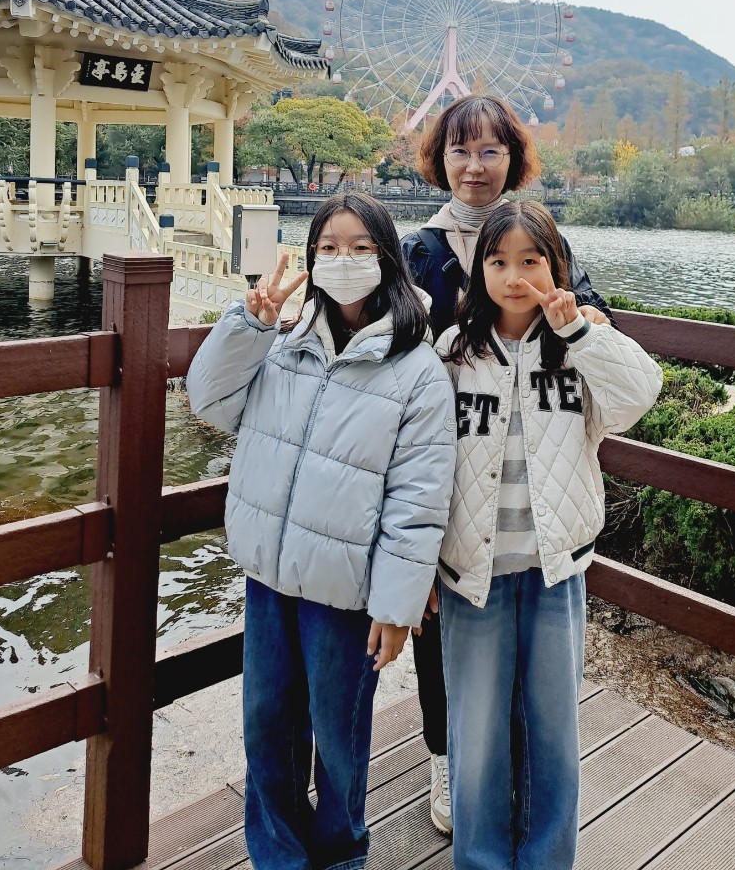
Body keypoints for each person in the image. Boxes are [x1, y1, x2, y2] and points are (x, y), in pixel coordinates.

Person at [186, 193, 457, 870]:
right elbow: (207, 401)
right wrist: (248, 325)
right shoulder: (282, 342)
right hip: (270, 574)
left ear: (388, 258)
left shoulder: (417, 369)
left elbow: (418, 498)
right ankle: (277, 856)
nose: (344, 260)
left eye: (361, 248)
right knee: (267, 727)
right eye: (329, 248)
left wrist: (397, 604)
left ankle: (341, 856)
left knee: (340, 737)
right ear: (309, 258)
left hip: (347, 591)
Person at [399, 94, 613, 834]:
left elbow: (590, 316)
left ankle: (513, 782)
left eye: (491, 150)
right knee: (442, 633)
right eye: (460, 150)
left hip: (527, 466)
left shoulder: (542, 236)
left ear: (512, 158)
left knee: (522, 662)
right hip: (449, 465)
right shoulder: (419, 250)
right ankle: (444, 758)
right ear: (440, 159)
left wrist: (585, 322)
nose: (475, 166)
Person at [435, 200, 663, 870]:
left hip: (554, 570)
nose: (514, 277)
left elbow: (640, 395)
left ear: (555, 267)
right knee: (475, 731)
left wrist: (583, 333)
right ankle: (481, 858)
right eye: (497, 261)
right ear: (479, 272)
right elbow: (421, 462)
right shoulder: (452, 352)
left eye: (530, 260)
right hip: (470, 575)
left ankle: (546, 859)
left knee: (553, 728)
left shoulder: (577, 347)